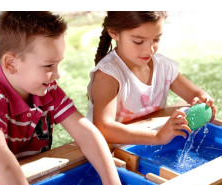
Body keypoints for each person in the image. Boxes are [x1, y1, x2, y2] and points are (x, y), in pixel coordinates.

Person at [0, 11, 128, 185]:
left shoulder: (47, 89)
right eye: (48, 66)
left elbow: (85, 132)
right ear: (10, 63)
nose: (58, 74)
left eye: (58, 63)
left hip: (31, 181)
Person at [86, 11, 216, 145]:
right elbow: (103, 129)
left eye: (156, 39)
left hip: (145, 143)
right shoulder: (108, 75)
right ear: (114, 32)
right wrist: (157, 137)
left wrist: (204, 102)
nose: (150, 50)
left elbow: (196, 94)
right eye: (138, 41)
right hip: (108, 149)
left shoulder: (163, 66)